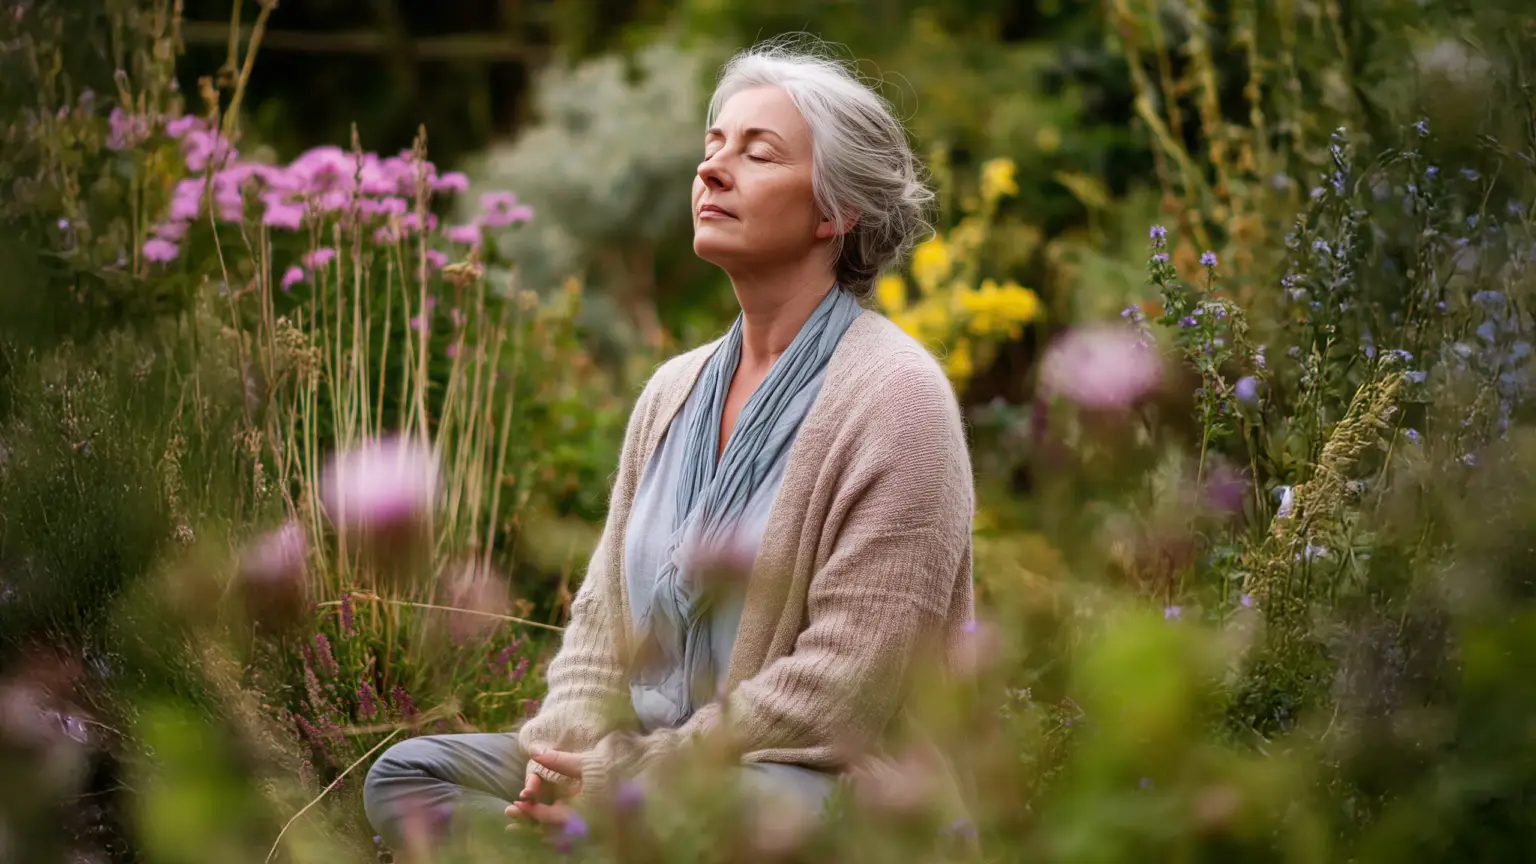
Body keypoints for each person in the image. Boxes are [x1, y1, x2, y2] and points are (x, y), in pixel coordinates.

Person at [363, 35, 975, 849]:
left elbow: (844, 692)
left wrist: (627, 778)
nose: (712, 171)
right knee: (407, 776)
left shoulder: (898, 397)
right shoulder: (672, 392)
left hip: (811, 787)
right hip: (629, 776)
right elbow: (598, 625)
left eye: (757, 155)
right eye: (712, 147)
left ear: (836, 211)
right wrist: (564, 758)